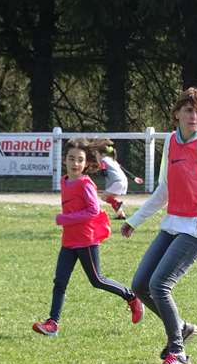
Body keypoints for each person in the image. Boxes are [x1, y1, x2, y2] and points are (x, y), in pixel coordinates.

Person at [122, 87, 197, 364]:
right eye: (189, 110)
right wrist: (134, 220)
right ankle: (181, 327)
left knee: (160, 285)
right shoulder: (171, 142)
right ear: (177, 114)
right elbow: (164, 188)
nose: (194, 116)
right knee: (141, 284)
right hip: (173, 224)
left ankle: (178, 355)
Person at [32, 138, 144, 337]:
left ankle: (131, 297)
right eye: (71, 158)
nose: (75, 163)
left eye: (80, 160)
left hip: (86, 240)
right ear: (64, 160)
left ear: (86, 163)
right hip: (69, 241)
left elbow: (93, 211)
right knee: (60, 282)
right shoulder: (64, 181)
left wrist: (65, 219)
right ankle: (52, 324)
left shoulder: (85, 184)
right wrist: (67, 221)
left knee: (97, 280)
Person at [90, 138, 144, 220]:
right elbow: (123, 170)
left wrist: (98, 169)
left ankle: (118, 203)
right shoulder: (112, 160)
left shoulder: (103, 161)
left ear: (100, 154)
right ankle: (121, 215)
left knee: (104, 197)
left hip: (117, 182)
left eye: (96, 154)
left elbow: (104, 173)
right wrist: (134, 178)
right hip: (123, 182)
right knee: (111, 199)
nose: (95, 156)